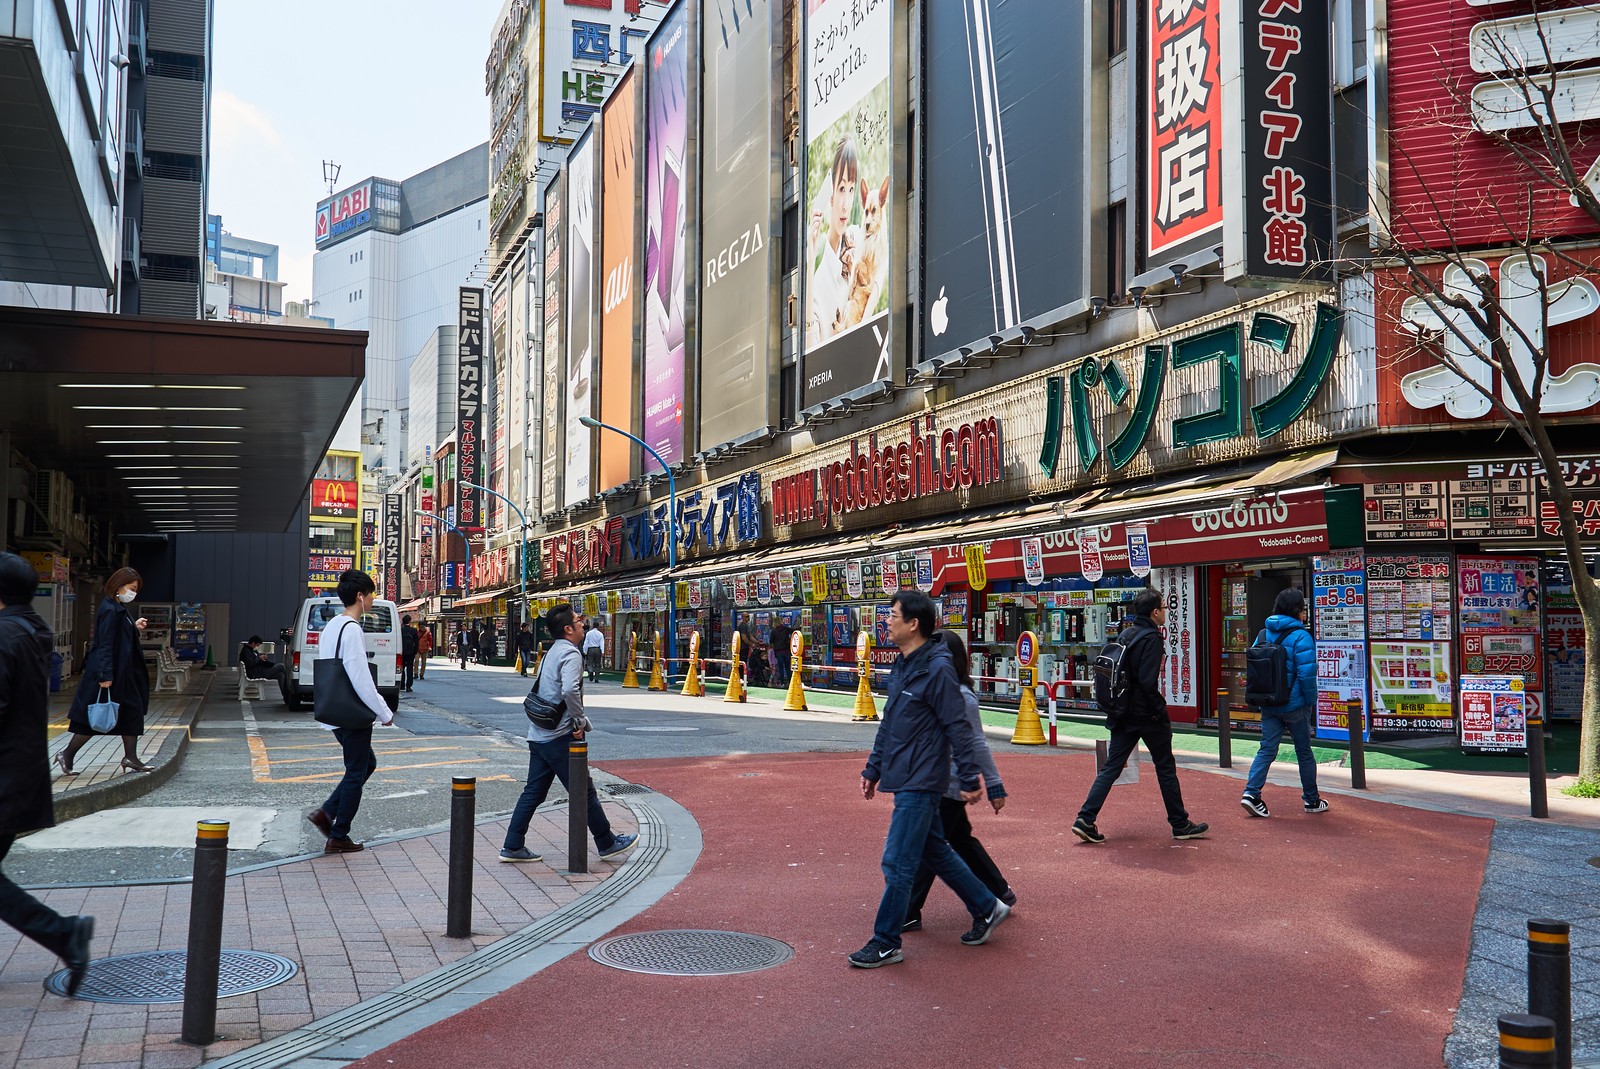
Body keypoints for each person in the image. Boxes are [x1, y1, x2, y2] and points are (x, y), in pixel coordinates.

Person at [853, 591, 1010, 969]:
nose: (886, 621)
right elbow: (890, 722)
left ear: (913, 624)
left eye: (892, 615)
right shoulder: (904, 665)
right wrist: (873, 767)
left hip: (922, 779)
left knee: (897, 863)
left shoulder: (937, 669)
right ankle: (987, 906)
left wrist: (972, 776)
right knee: (935, 850)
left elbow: (959, 726)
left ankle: (886, 941)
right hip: (905, 772)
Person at [0, 553, 94, 995]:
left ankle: (63, 933)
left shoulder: (5, 634)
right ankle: (62, 933)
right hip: (21, 772)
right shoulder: (31, 629)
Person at [499, 605, 637, 864]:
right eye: (577, 620)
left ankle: (512, 844)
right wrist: (579, 721)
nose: (582, 623)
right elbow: (570, 691)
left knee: (533, 792)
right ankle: (606, 841)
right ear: (568, 629)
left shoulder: (552, 651)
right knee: (583, 791)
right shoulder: (572, 654)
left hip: (539, 734)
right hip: (559, 736)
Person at [1072, 589, 1209, 844]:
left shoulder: (1126, 634)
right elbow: (1147, 682)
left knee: (1111, 767)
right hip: (1146, 715)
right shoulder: (1152, 639)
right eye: (1164, 608)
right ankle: (1180, 824)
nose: (1166, 612)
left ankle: (1085, 818)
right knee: (1165, 767)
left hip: (1122, 712)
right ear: (1155, 612)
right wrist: (1159, 711)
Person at [904, 631, 1015, 932]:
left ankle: (911, 909)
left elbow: (977, 743)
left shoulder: (960, 697)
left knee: (929, 846)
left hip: (949, 784)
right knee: (959, 839)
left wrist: (993, 784)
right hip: (937, 780)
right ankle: (998, 890)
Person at [306, 570, 395, 854]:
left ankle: (327, 812)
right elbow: (359, 676)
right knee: (357, 771)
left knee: (365, 764)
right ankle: (338, 834)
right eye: (371, 594)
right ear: (360, 596)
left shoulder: (332, 625)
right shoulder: (353, 628)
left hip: (333, 709)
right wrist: (383, 711)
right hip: (352, 712)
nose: (372, 599)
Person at [1241, 589, 1327, 818]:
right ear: (1297, 610)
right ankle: (1311, 800)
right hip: (1294, 705)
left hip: (1269, 703)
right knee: (1304, 752)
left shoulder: (1262, 634)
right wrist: (1310, 702)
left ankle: (1251, 793)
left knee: (1267, 749)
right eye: (1302, 608)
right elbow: (1307, 675)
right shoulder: (1301, 636)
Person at [59, 568, 152, 775]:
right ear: (119, 586)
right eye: (132, 588)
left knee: (130, 713)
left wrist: (134, 626)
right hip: (111, 674)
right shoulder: (110, 609)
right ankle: (67, 754)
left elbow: (117, 636)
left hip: (123, 673)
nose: (133, 593)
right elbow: (105, 644)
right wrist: (105, 676)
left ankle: (131, 757)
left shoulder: (118, 607)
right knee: (94, 719)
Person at [239, 635, 290, 703]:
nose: (257, 647)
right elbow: (250, 663)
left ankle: (286, 696)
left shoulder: (251, 650)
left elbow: (257, 660)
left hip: (259, 670)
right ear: (253, 643)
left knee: (280, 675)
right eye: (257, 645)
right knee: (281, 666)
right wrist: (259, 658)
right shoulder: (246, 651)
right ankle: (289, 685)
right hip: (256, 673)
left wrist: (266, 661)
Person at [400, 615, 419, 692]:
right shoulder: (414, 630)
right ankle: (409, 686)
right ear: (410, 621)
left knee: (402, 668)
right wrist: (415, 651)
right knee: (410, 668)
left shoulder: (400, 630)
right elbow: (416, 642)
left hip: (402, 651)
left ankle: (402, 685)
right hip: (411, 652)